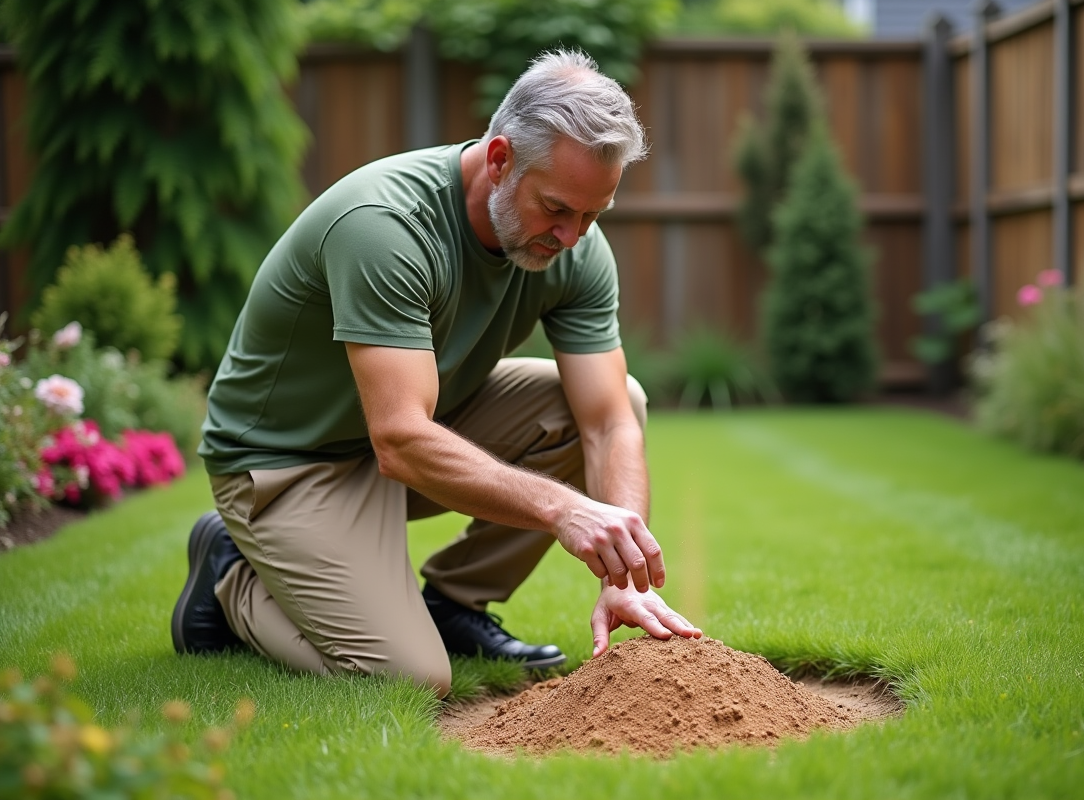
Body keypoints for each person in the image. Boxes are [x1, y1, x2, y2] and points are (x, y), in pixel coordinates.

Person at [171, 50, 701, 697]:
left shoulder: (577, 247)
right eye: (557, 209)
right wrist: (564, 509)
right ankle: (233, 579)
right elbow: (398, 440)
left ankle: (455, 604)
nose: (571, 236)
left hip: (410, 432)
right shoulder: (386, 226)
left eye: (593, 215)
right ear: (500, 158)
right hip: (288, 462)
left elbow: (609, 421)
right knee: (410, 678)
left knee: (627, 397)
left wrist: (620, 578)